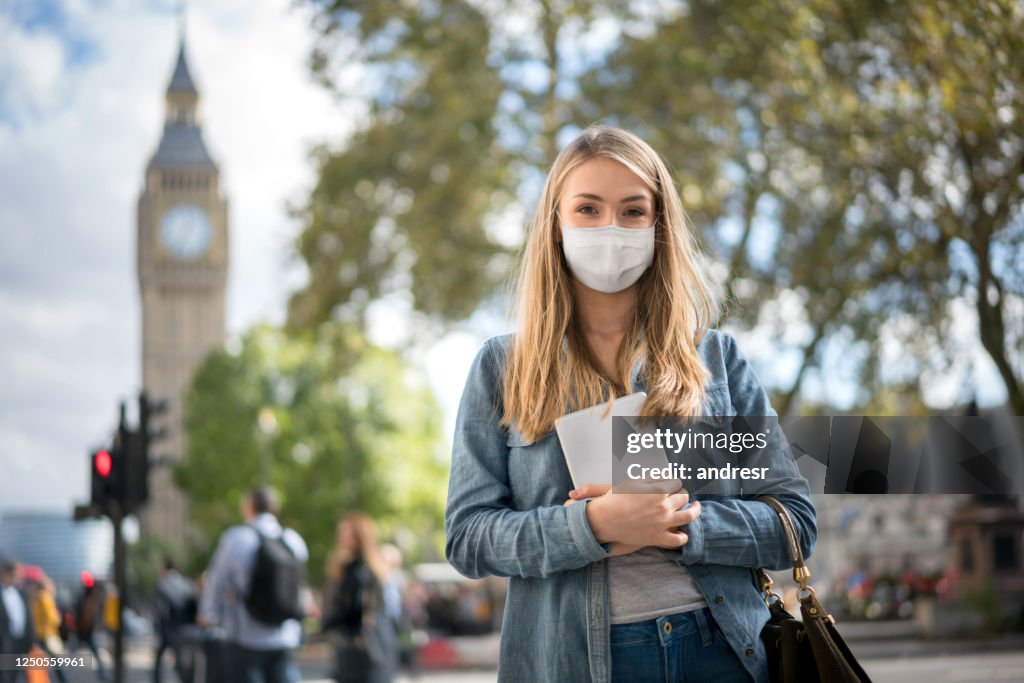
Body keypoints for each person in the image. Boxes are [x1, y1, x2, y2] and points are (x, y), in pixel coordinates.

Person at [444, 125, 817, 683]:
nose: (610, 228)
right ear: (556, 222)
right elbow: (469, 536)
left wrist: (677, 524)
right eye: (588, 209)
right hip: (573, 663)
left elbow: (793, 521)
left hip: (721, 654)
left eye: (633, 211)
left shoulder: (717, 358)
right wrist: (591, 524)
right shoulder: (501, 368)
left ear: (659, 225)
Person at [199, 486, 308, 683]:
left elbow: (217, 581)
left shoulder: (236, 538)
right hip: (286, 635)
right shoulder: (294, 540)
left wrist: (209, 615)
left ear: (249, 506)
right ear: (275, 508)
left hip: (246, 638)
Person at [321, 514, 397, 683]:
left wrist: (327, 624)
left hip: (361, 647)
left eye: (345, 534)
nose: (340, 538)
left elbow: (351, 607)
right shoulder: (375, 567)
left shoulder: (355, 569)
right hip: (378, 643)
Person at [153, 558, 198, 683]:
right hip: (185, 628)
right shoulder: (186, 583)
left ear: (165, 568)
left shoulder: (162, 584)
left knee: (159, 660)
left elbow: (161, 610)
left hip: (169, 629)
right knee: (181, 660)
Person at [24, 570, 65, 683]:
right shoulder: (38, 599)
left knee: (52, 661)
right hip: (42, 635)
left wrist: (46, 632)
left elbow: (52, 618)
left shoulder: (43, 598)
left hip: (45, 635)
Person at [0, 557, 36, 683]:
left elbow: (27, 618)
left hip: (20, 643)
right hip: (4, 644)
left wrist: (30, 640)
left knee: (17, 676)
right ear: (6, 574)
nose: (20, 576)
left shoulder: (19, 593)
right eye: (17, 573)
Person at [72, 572, 108, 682]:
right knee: (73, 657)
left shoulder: (89, 594)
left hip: (86, 631)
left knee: (74, 656)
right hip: (83, 631)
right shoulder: (88, 595)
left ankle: (103, 677)